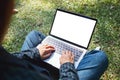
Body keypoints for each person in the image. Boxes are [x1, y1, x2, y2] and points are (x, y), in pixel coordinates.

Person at [0, 0, 108, 80]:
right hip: (52, 75)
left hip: (35, 67)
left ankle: (55, 65)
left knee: (34, 35)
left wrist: (35, 53)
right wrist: (67, 65)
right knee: (99, 57)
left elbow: (14, 57)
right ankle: (66, 68)